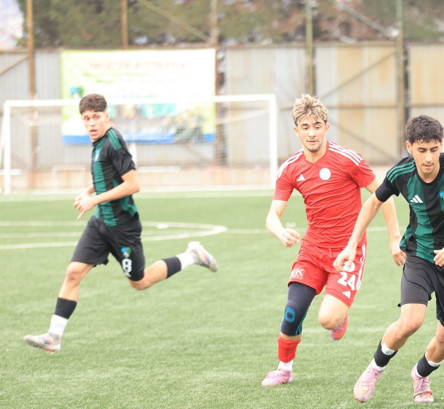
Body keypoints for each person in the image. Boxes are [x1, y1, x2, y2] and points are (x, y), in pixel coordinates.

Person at [23, 93, 218, 354]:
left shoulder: (112, 140)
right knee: (73, 273)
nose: (91, 123)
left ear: (107, 116)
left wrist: (94, 199)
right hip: (100, 224)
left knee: (140, 281)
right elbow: (107, 173)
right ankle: (53, 337)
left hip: (123, 227)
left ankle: (193, 256)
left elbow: (133, 184)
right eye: (86, 118)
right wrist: (89, 192)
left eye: (96, 117)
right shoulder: (98, 142)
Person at [335, 115, 444, 404]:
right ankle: (373, 370)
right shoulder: (401, 173)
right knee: (410, 322)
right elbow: (373, 203)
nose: (429, 157)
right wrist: (351, 244)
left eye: (434, 149)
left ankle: (421, 374)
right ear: (409, 147)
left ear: (441, 145)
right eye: (422, 150)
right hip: (419, 254)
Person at [261, 94, 401, 387]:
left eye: (317, 126)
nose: (311, 132)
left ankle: (339, 316)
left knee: (327, 319)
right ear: (296, 131)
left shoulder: (348, 159)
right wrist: (280, 231)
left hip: (347, 252)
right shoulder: (290, 169)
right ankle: (284, 369)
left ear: (326, 127)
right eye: (305, 126)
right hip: (312, 250)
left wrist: (394, 239)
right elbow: (272, 215)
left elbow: (383, 196)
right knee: (293, 310)